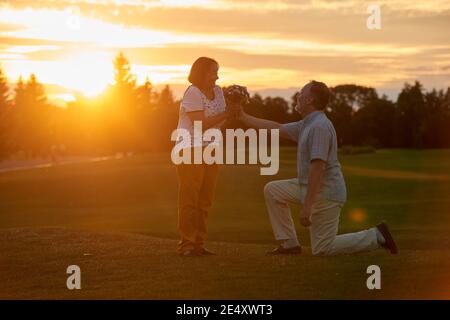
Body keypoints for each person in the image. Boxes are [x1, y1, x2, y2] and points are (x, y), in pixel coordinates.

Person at [236, 80, 398, 256]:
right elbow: (276, 128)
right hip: (309, 188)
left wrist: (307, 206)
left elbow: (318, 168)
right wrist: (243, 116)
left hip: (326, 194)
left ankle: (376, 235)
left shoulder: (319, 127)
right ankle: (290, 244)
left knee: (322, 248)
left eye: (302, 93)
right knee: (273, 190)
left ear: (310, 100)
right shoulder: (307, 124)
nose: (298, 96)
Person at [175, 57, 230, 257]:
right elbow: (200, 125)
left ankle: (199, 243)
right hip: (190, 148)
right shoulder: (193, 92)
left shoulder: (218, 92)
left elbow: (219, 123)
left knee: (205, 199)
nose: (217, 76)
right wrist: (227, 114)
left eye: (217, 71)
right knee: (190, 198)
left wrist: (231, 113)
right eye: (213, 71)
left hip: (211, 148)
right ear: (201, 73)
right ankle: (186, 244)